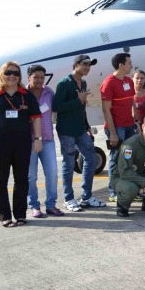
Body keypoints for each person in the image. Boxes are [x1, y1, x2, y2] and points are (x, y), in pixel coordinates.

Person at [0, 61, 42, 227]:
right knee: (0, 179)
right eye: (8, 73)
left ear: (19, 76)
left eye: (15, 73)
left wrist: (38, 140)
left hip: (22, 143)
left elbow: (36, 118)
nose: (12, 76)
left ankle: (20, 215)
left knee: (21, 179)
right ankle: (5, 216)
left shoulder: (26, 95)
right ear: (2, 75)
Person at [53, 54, 105, 212]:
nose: (87, 67)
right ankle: (68, 199)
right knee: (68, 164)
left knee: (90, 158)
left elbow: (81, 107)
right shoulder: (65, 83)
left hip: (80, 129)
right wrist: (78, 100)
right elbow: (56, 106)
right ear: (75, 65)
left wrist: (87, 124)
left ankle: (86, 196)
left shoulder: (83, 82)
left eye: (89, 65)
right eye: (84, 64)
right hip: (67, 130)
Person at [26, 65, 63, 218]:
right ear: (29, 78)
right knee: (31, 176)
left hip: (48, 140)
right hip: (29, 141)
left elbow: (56, 109)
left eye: (42, 77)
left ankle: (51, 205)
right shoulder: (24, 94)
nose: (40, 80)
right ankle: (34, 206)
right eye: (36, 77)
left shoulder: (49, 92)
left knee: (52, 173)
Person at [101, 52, 138, 202]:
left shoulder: (128, 80)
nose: (131, 65)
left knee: (128, 158)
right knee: (115, 159)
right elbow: (105, 110)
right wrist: (113, 133)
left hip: (129, 126)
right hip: (117, 128)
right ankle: (113, 192)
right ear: (121, 65)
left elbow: (132, 102)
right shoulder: (108, 83)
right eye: (129, 63)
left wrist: (136, 121)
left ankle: (128, 188)